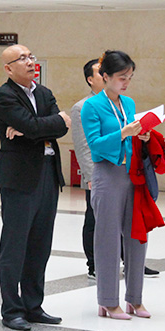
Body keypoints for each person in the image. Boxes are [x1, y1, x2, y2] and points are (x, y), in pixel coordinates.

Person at [0, 44, 70, 331]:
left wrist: (34, 127)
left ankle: (33, 306)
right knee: (15, 246)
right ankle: (12, 310)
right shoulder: (4, 95)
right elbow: (38, 126)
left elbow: (61, 126)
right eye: (21, 58)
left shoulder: (44, 93)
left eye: (30, 56)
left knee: (40, 244)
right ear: (8, 68)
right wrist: (41, 125)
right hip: (18, 178)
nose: (29, 62)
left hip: (48, 174)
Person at [81, 50, 151, 320]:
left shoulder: (128, 103)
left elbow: (132, 135)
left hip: (132, 173)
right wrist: (123, 133)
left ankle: (135, 298)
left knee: (136, 236)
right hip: (107, 174)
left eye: (130, 77)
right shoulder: (92, 106)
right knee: (108, 238)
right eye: (122, 77)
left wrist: (142, 136)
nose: (126, 82)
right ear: (105, 76)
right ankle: (108, 301)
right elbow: (95, 144)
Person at [70, 59, 103, 280]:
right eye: (101, 73)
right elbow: (83, 146)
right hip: (97, 172)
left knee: (123, 217)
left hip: (121, 170)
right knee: (94, 218)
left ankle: (126, 258)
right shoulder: (82, 107)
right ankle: (93, 263)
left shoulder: (120, 103)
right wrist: (91, 176)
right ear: (90, 80)